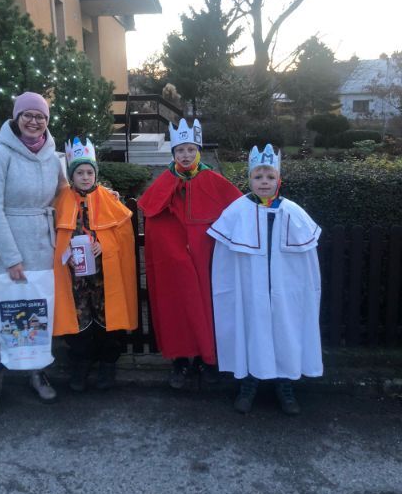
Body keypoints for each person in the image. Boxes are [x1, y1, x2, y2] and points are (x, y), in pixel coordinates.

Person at [208, 144, 323, 415]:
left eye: (270, 177)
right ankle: (249, 384)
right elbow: (225, 260)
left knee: (285, 331)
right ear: (249, 179)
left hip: (284, 289)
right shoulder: (237, 211)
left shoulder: (293, 212)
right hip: (250, 288)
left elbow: (307, 264)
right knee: (252, 330)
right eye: (258, 177)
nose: (264, 182)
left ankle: (285, 385)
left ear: (278, 180)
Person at [0, 92, 67, 413]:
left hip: (42, 247)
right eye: (27, 115)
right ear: (16, 119)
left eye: (40, 116)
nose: (34, 121)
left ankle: (37, 372)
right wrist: (11, 258)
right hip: (6, 250)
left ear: (47, 121)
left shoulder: (53, 157)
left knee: (38, 317)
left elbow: (65, 193)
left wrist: (98, 194)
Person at [137, 119, 241, 389]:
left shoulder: (213, 180)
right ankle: (181, 360)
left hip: (208, 259)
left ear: (199, 152)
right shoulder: (164, 182)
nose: (185, 155)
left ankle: (209, 359)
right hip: (175, 261)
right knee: (178, 307)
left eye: (191, 150)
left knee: (208, 306)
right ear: (173, 153)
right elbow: (154, 220)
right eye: (180, 150)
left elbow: (236, 213)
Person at [52, 137, 138, 392]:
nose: (85, 177)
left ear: (96, 174)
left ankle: (107, 364)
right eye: (80, 172)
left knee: (107, 318)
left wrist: (105, 245)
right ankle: (81, 363)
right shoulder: (61, 199)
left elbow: (123, 237)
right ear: (72, 175)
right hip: (74, 277)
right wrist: (64, 251)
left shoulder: (109, 199)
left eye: (90, 172)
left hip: (104, 276)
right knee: (78, 319)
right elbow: (53, 236)